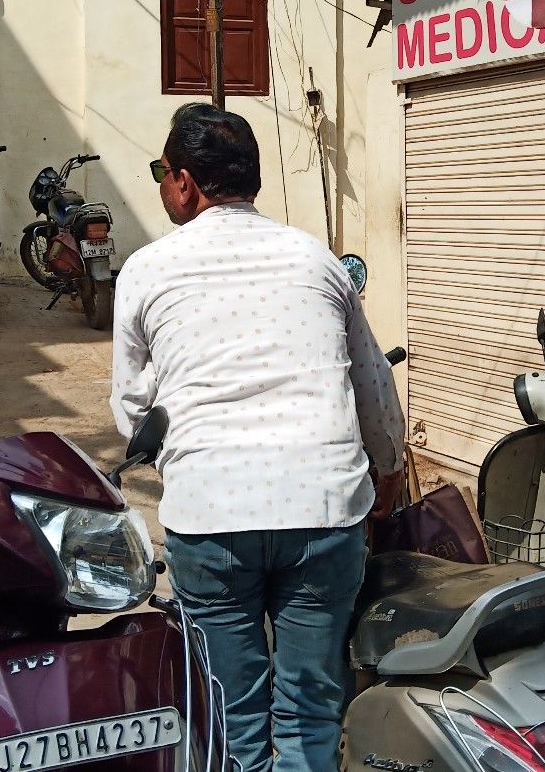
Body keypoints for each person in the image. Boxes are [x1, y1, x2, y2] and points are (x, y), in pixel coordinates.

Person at [111, 103, 407, 772]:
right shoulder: (318, 260)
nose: (163, 184)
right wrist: (385, 473)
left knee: (233, 718)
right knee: (308, 716)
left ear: (184, 183)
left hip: (211, 517)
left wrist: (179, 451)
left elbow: (132, 413)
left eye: (162, 171)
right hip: (324, 511)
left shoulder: (147, 270)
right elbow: (374, 391)